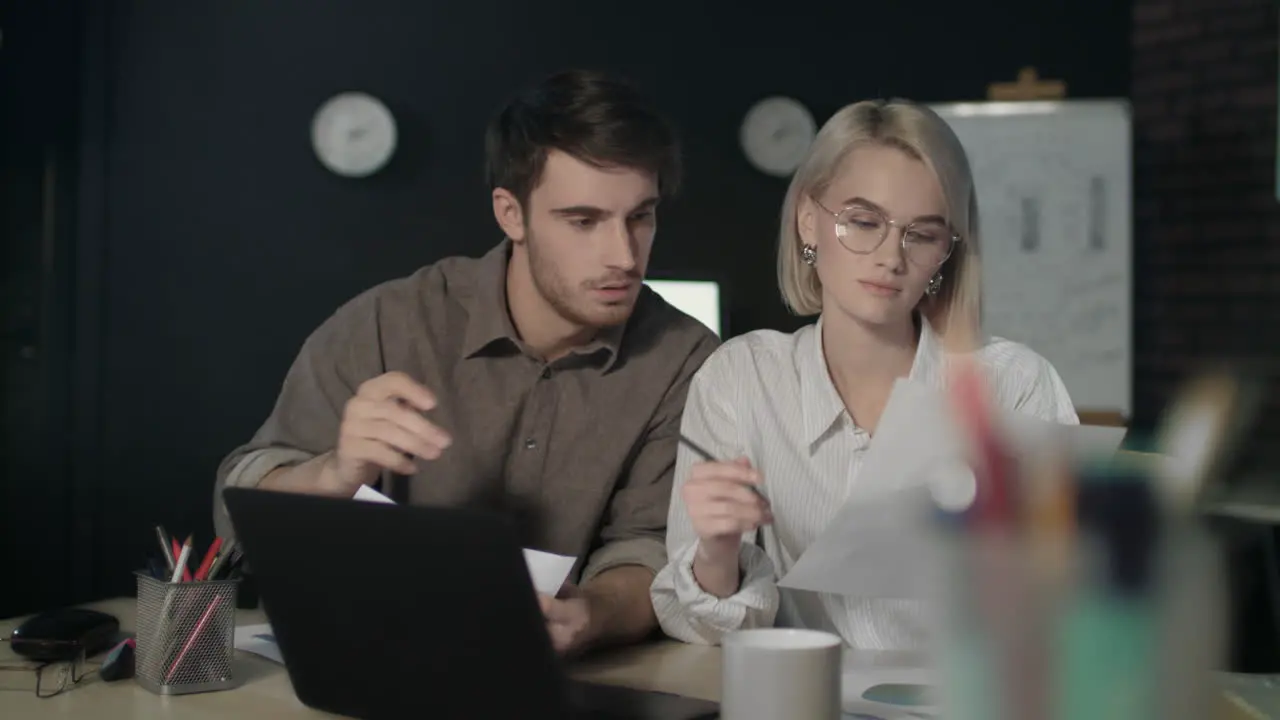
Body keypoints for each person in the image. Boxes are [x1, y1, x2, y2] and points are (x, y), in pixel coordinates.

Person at [213, 69, 720, 657]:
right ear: (511, 214)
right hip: (368, 664)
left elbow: (652, 548)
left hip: (574, 684)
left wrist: (593, 615)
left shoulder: (685, 360)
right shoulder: (391, 321)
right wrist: (331, 473)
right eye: (583, 221)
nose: (623, 255)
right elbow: (241, 505)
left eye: (641, 217)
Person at [649, 99, 1078, 650]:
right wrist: (717, 550)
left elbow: (1069, 613)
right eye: (863, 221)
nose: (890, 257)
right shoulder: (740, 378)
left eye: (922, 234)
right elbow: (699, 627)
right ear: (809, 220)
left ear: (947, 252)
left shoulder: (1015, 384)